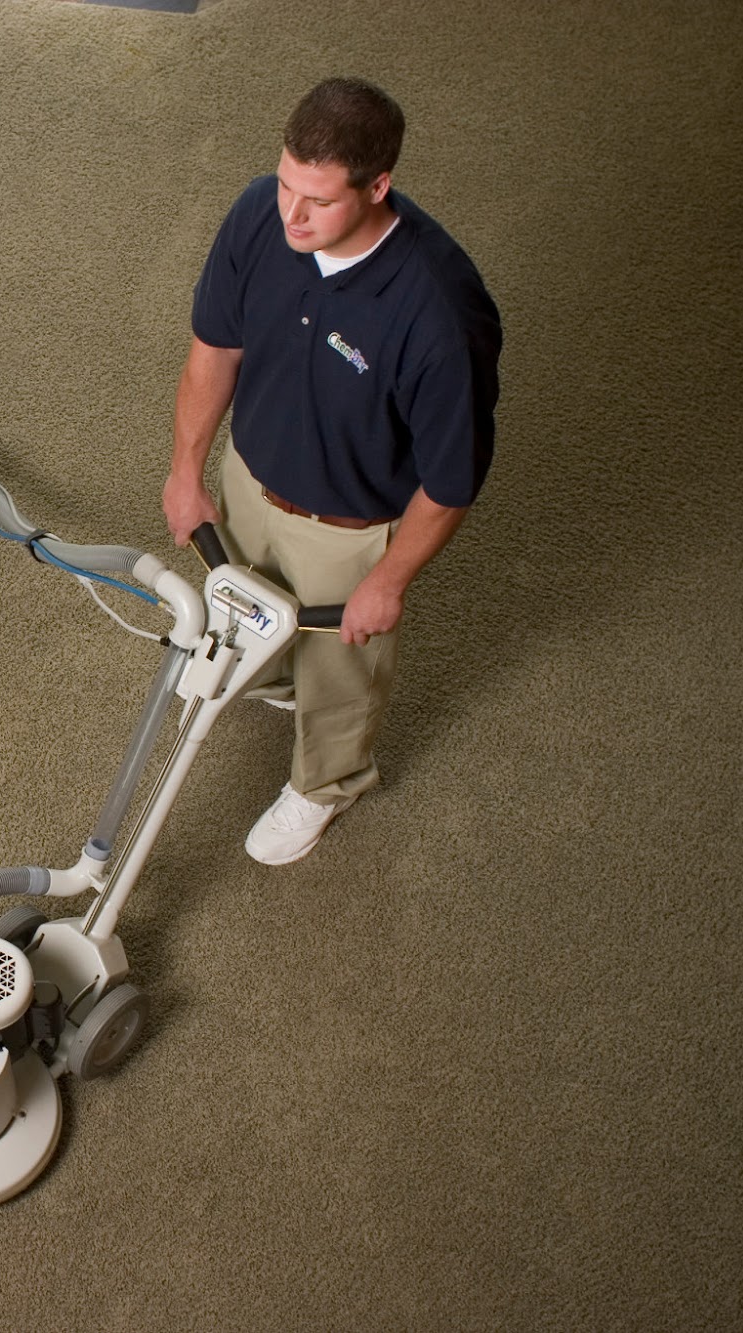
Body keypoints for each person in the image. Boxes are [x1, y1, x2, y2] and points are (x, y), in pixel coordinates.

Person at [162, 77, 502, 865]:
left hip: (348, 530)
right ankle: (274, 681)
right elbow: (215, 349)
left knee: (341, 674)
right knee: (249, 606)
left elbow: (451, 481)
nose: (293, 216)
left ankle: (326, 783)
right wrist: (187, 469)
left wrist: (389, 580)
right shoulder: (259, 213)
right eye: (287, 184)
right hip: (249, 481)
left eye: (318, 200)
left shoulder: (438, 315)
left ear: (377, 186)